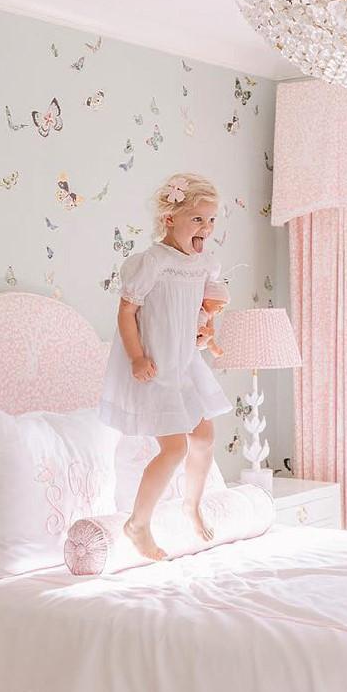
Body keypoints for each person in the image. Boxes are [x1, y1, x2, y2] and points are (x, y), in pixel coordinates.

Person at [97, 173, 232, 560]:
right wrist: (137, 356)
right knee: (173, 448)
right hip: (155, 365)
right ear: (170, 219)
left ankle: (191, 504)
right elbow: (127, 313)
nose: (205, 228)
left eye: (210, 221)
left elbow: (199, 312)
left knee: (204, 437)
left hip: (184, 362)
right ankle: (138, 523)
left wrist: (205, 334)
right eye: (197, 219)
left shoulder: (204, 263)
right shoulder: (152, 263)